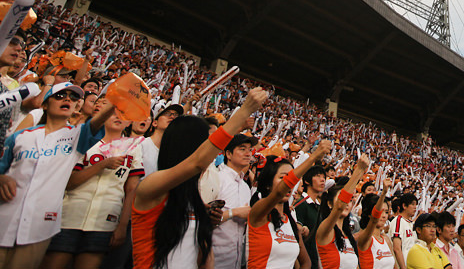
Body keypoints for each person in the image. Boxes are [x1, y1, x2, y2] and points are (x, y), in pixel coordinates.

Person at [131, 87, 268, 269]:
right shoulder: (151, 186)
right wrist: (245, 110)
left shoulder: (193, 198)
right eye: (204, 142)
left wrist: (206, 219)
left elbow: (203, 256)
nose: (210, 151)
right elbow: (197, 162)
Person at [0, 82, 117, 269]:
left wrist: (116, 102)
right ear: (45, 105)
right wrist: (2, 178)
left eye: (73, 97)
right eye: (60, 96)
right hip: (4, 217)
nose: (67, 99)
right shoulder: (20, 136)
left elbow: (95, 123)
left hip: (37, 229)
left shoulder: (77, 136)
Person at [42, 96, 144, 269]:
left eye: (124, 115)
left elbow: (131, 188)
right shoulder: (85, 142)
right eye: (114, 113)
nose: (118, 117)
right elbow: (68, 182)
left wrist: (122, 226)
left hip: (104, 222)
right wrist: (101, 165)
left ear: (129, 123)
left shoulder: (134, 148)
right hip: (69, 216)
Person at [246, 139, 331, 269]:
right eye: (282, 177)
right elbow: (279, 191)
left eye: (289, 178)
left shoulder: (290, 222)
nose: (289, 185)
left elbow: (306, 262)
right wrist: (313, 157)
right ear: (268, 184)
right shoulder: (258, 211)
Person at [314, 154, 386, 269]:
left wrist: (383, 194)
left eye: (351, 200)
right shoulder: (325, 229)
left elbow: (373, 220)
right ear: (329, 204)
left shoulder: (348, 237)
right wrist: (359, 170)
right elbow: (339, 206)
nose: (347, 203)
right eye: (344, 199)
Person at [212, 134, 256, 269]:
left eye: (249, 150)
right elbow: (204, 219)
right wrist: (234, 213)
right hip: (214, 259)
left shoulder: (245, 187)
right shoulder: (217, 179)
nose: (248, 154)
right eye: (242, 149)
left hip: (236, 260)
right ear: (228, 154)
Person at [359, 192, 395, 269]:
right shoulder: (365, 238)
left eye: (386, 212)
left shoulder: (386, 240)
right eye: (380, 212)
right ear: (370, 214)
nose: (384, 216)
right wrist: (383, 193)